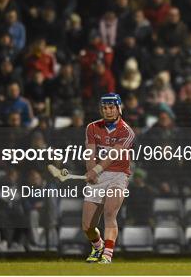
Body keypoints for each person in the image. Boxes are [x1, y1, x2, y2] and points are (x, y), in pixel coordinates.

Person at [82, 93, 135, 264]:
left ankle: (107, 254)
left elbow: (113, 154)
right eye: (105, 108)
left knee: (110, 213)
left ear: (119, 108)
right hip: (97, 176)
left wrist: (95, 170)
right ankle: (98, 247)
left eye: (111, 107)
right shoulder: (92, 127)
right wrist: (91, 171)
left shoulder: (127, 131)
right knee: (87, 226)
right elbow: (90, 152)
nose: (108, 111)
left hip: (119, 175)